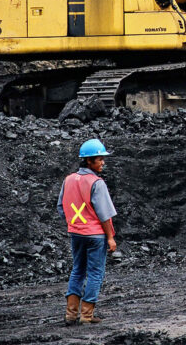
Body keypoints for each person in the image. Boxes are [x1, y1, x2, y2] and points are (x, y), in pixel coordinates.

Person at [57, 139, 117, 326]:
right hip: (95, 236)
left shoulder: (68, 180)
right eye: (100, 159)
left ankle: (70, 314)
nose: (103, 162)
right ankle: (86, 316)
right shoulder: (96, 183)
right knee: (95, 273)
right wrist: (110, 237)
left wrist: (75, 224)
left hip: (76, 234)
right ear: (89, 161)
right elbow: (105, 215)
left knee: (77, 271)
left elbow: (61, 207)